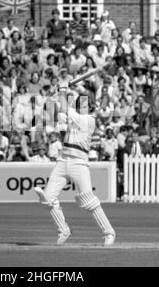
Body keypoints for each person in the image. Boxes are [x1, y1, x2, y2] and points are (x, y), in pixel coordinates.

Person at [34, 84, 116, 247]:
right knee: (47, 199)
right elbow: (53, 112)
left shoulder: (89, 121)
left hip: (79, 163)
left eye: (86, 105)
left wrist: (63, 91)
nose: (83, 108)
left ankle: (109, 233)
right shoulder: (71, 118)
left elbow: (66, 108)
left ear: (89, 108)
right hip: (63, 161)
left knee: (89, 201)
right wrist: (52, 96)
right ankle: (63, 229)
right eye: (81, 105)